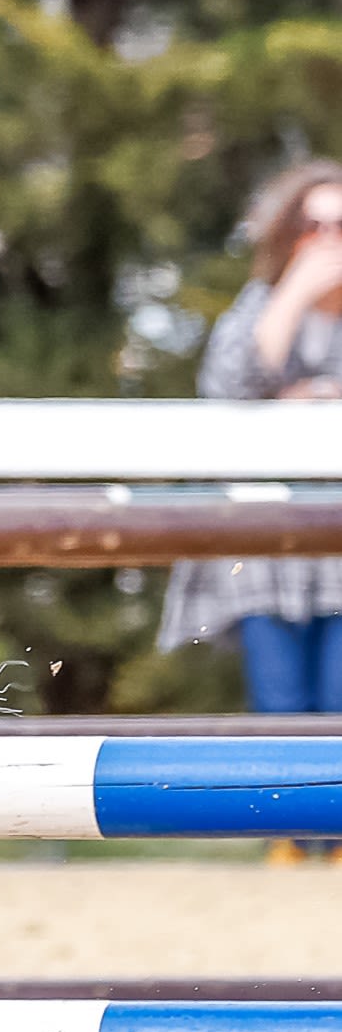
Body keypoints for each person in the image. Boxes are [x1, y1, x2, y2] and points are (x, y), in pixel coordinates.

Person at [161, 164, 342, 829]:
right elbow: (231, 387)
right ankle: (290, 836)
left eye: (339, 226)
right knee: (282, 702)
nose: (326, 240)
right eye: (311, 224)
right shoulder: (259, 303)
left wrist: (312, 398)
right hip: (267, 550)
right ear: (287, 231)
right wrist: (293, 295)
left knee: (338, 695)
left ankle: (334, 839)